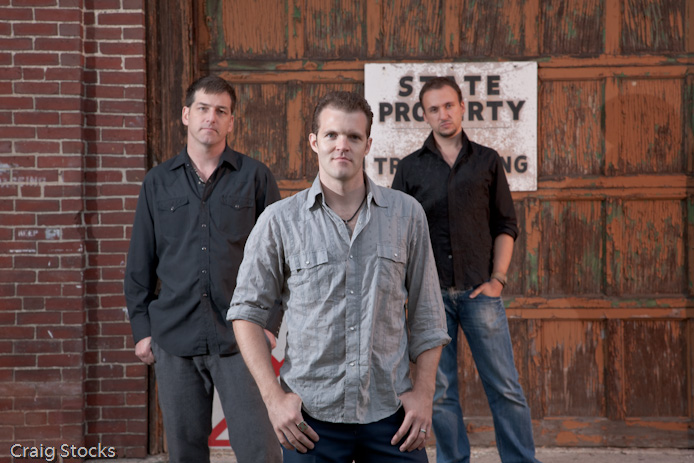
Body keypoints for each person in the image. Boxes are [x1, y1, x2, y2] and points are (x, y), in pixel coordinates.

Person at [227, 91, 450, 463]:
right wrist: (274, 399)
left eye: (353, 136)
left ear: (368, 145)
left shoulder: (406, 215)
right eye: (331, 135)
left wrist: (424, 394)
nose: (342, 145)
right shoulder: (279, 221)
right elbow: (246, 314)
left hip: (392, 416)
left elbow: (428, 315)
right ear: (314, 141)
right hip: (310, 422)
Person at [124, 75, 282, 463]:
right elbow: (139, 264)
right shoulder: (157, 183)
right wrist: (142, 332)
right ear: (186, 115)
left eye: (221, 111)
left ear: (231, 121)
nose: (211, 117)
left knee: (260, 451)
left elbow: (278, 259)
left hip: (242, 339)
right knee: (185, 454)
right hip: (174, 337)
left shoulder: (255, 177)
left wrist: (270, 324)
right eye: (203, 108)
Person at [392, 77, 541, 463]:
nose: (443, 114)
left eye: (449, 105)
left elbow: (506, 224)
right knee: (441, 394)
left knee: (505, 388)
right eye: (434, 109)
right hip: (430, 299)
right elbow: (396, 236)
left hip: (480, 294)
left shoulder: (487, 161)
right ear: (424, 115)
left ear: (462, 107)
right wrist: (406, 294)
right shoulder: (409, 169)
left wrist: (498, 280)